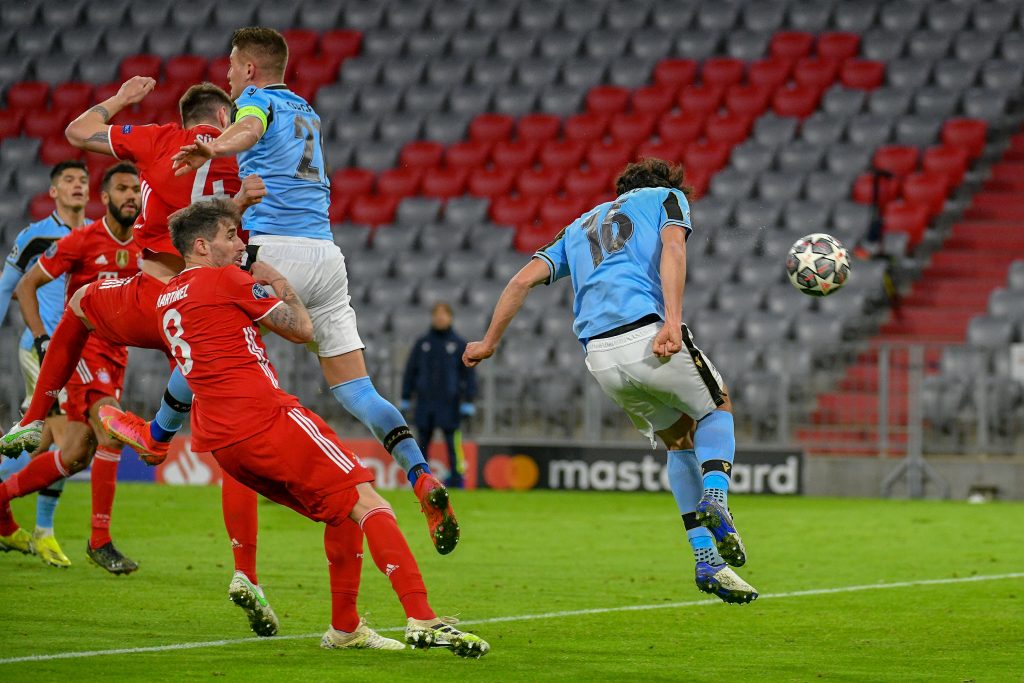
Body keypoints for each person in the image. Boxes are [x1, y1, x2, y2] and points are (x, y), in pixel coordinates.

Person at [163, 27, 459, 555]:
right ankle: (419, 473)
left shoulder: (254, 102)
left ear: (250, 69)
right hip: (327, 255)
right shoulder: (306, 108)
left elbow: (247, 132)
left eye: (231, 66)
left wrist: (212, 145)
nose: (227, 75)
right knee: (356, 390)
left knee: (205, 339)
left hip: (277, 252)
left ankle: (158, 433)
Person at [0, 78, 283, 629]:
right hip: (209, 314)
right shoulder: (243, 156)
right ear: (225, 117)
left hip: (152, 301)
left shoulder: (158, 138)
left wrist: (124, 99)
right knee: (232, 443)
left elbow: (77, 131)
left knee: (81, 304)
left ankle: (35, 419)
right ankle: (245, 571)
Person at [159, 198, 489, 655]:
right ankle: (423, 617)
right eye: (230, 236)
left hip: (219, 440)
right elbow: (300, 329)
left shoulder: (166, 296)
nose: (240, 245)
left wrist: (157, 433)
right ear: (200, 245)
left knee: (340, 509)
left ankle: (345, 627)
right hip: (265, 418)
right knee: (368, 501)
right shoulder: (227, 278)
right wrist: (278, 281)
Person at [463, 158, 758, 605]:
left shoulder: (578, 225)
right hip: (645, 331)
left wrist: (487, 341)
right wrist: (673, 322)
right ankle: (716, 497)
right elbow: (675, 249)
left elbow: (521, 280)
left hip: (599, 358)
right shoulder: (666, 198)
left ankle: (706, 560)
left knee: (680, 441)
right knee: (716, 407)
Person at [15, 162, 142, 573]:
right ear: (104, 198)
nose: (131, 197)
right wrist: (41, 337)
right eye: (122, 189)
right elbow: (25, 285)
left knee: (74, 453)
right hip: (83, 353)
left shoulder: (147, 245)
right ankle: (100, 540)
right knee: (113, 432)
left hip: (117, 357)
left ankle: (1, 502)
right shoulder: (82, 241)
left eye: (136, 190)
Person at [0, 161, 88, 566]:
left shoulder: (98, 235)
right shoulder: (35, 237)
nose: (77, 186)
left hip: (81, 354)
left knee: (44, 443)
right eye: (68, 180)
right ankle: (44, 531)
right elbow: (8, 287)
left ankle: (20, 523)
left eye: (83, 180)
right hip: (43, 349)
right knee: (68, 438)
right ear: (52, 191)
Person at [401, 302, 477, 488]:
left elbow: (469, 374)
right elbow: (410, 371)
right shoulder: (423, 343)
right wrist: (405, 396)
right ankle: (420, 481)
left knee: (453, 445)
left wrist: (468, 400)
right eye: (437, 314)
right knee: (421, 445)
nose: (440, 318)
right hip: (425, 402)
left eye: (444, 314)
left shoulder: (459, 344)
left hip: (449, 404)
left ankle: (458, 480)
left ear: (450, 317)